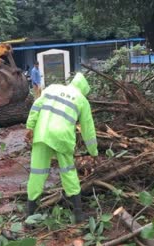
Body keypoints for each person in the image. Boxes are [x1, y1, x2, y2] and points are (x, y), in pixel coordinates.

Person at [24, 73, 98, 224]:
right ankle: (78, 214)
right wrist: (93, 152)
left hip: (42, 134)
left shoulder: (52, 88)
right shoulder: (82, 100)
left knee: (37, 173)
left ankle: (29, 216)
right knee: (68, 173)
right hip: (62, 138)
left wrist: (30, 127)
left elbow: (36, 107)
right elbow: (88, 130)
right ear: (84, 89)